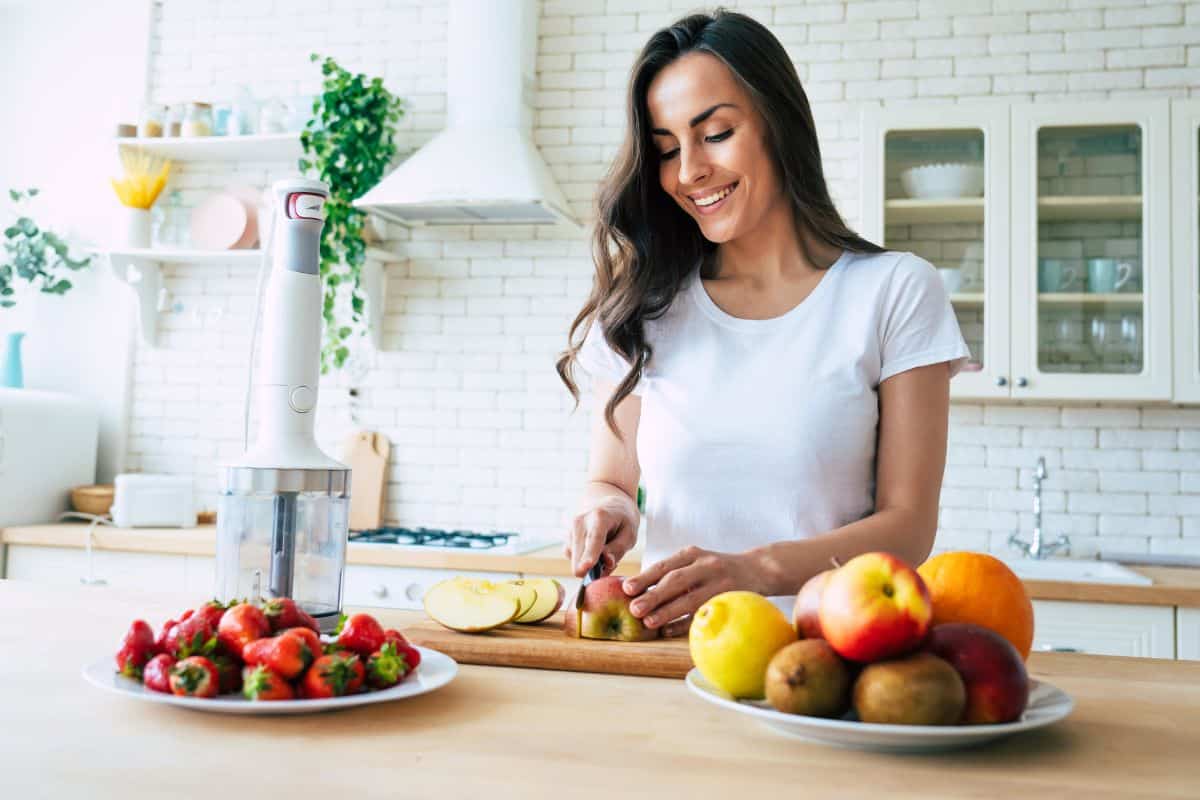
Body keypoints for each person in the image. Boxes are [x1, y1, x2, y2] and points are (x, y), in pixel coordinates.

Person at [555, 10, 969, 637]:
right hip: (667, 664)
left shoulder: (893, 291)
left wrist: (754, 570)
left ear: (779, 122)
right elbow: (610, 480)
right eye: (666, 150)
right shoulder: (647, 304)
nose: (688, 171)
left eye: (715, 133)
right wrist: (606, 511)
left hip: (824, 664)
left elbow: (908, 527)